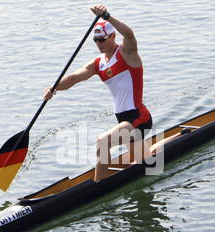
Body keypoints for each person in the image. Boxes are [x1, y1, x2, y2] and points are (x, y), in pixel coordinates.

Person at [44, 4, 153, 182]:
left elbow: (129, 34)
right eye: (96, 40)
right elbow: (74, 78)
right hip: (123, 120)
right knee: (142, 161)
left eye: (102, 39)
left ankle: (98, 186)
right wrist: (54, 88)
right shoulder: (98, 63)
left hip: (138, 118)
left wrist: (107, 16)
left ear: (112, 36)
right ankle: (178, 140)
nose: (99, 44)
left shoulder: (127, 53)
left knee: (102, 143)